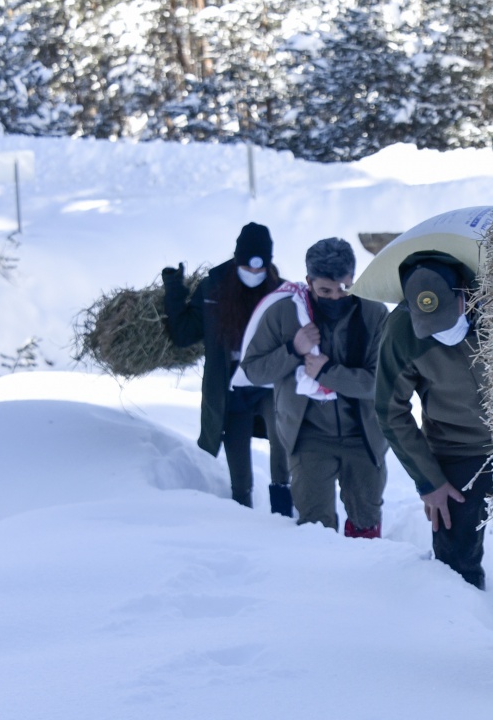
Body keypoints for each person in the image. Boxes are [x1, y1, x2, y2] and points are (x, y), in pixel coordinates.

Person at [238, 237, 389, 536]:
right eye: (325, 291)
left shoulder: (374, 314)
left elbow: (380, 383)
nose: (335, 297)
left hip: (364, 436)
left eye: (345, 288)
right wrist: (292, 350)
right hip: (308, 437)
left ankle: (365, 577)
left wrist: (328, 373)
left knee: (366, 521)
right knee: (316, 528)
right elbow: (253, 370)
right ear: (309, 282)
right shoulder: (285, 313)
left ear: (354, 278)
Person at [374, 252, 493, 587]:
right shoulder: (400, 331)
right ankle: (464, 615)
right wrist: (430, 482)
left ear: (464, 294)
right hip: (457, 446)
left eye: (447, 318)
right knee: (456, 553)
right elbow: (389, 410)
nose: (443, 332)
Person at [162, 222, 293, 515]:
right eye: (248, 266)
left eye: (261, 268)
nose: (254, 273)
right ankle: (241, 514)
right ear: (237, 260)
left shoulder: (281, 292)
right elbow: (184, 334)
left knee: (281, 437)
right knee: (237, 458)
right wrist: (174, 289)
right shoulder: (213, 289)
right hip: (229, 388)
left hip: (269, 384)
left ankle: (283, 508)